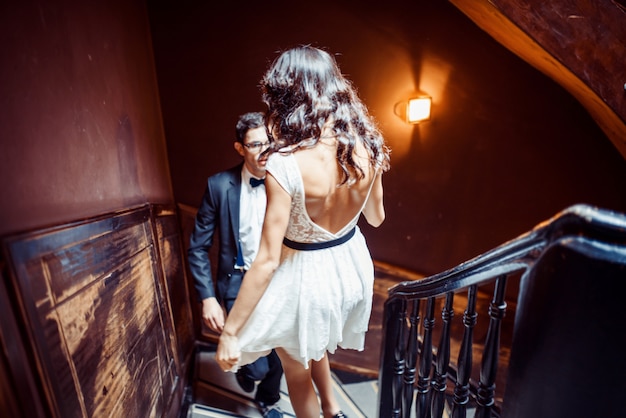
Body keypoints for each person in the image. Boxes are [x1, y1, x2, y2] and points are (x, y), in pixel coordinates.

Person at [215, 46, 391, 418]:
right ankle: (332, 410)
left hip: (302, 278)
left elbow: (265, 261)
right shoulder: (367, 145)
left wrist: (230, 332)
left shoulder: (284, 161)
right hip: (348, 272)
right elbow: (375, 218)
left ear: (288, 96)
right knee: (313, 345)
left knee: (296, 372)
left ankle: (321, 411)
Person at [188, 111, 284, 418]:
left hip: (281, 281)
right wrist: (207, 298)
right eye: (255, 144)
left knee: (284, 355)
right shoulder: (219, 186)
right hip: (237, 284)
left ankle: (268, 398)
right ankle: (250, 373)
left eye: (269, 142)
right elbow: (198, 248)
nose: (264, 151)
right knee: (257, 365)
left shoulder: (288, 182)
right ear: (240, 148)